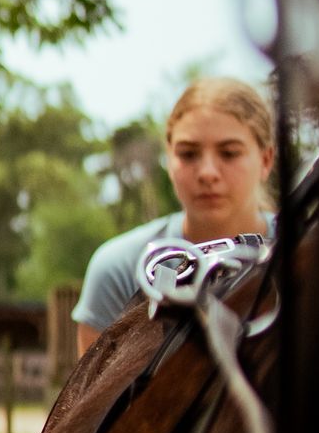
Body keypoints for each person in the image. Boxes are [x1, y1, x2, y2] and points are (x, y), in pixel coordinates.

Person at [73, 75, 276, 358]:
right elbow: (97, 397)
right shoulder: (119, 270)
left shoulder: (311, 256)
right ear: (169, 160)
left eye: (229, 153)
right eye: (189, 154)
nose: (207, 173)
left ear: (266, 160)